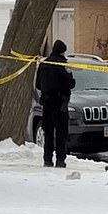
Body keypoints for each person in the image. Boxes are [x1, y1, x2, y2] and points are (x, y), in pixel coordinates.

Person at [36, 40, 75, 168]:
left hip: (47, 101)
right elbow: (70, 83)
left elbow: (38, 84)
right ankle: (60, 159)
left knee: (48, 131)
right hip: (60, 102)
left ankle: (47, 159)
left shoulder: (44, 64)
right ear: (63, 51)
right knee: (61, 132)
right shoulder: (63, 64)